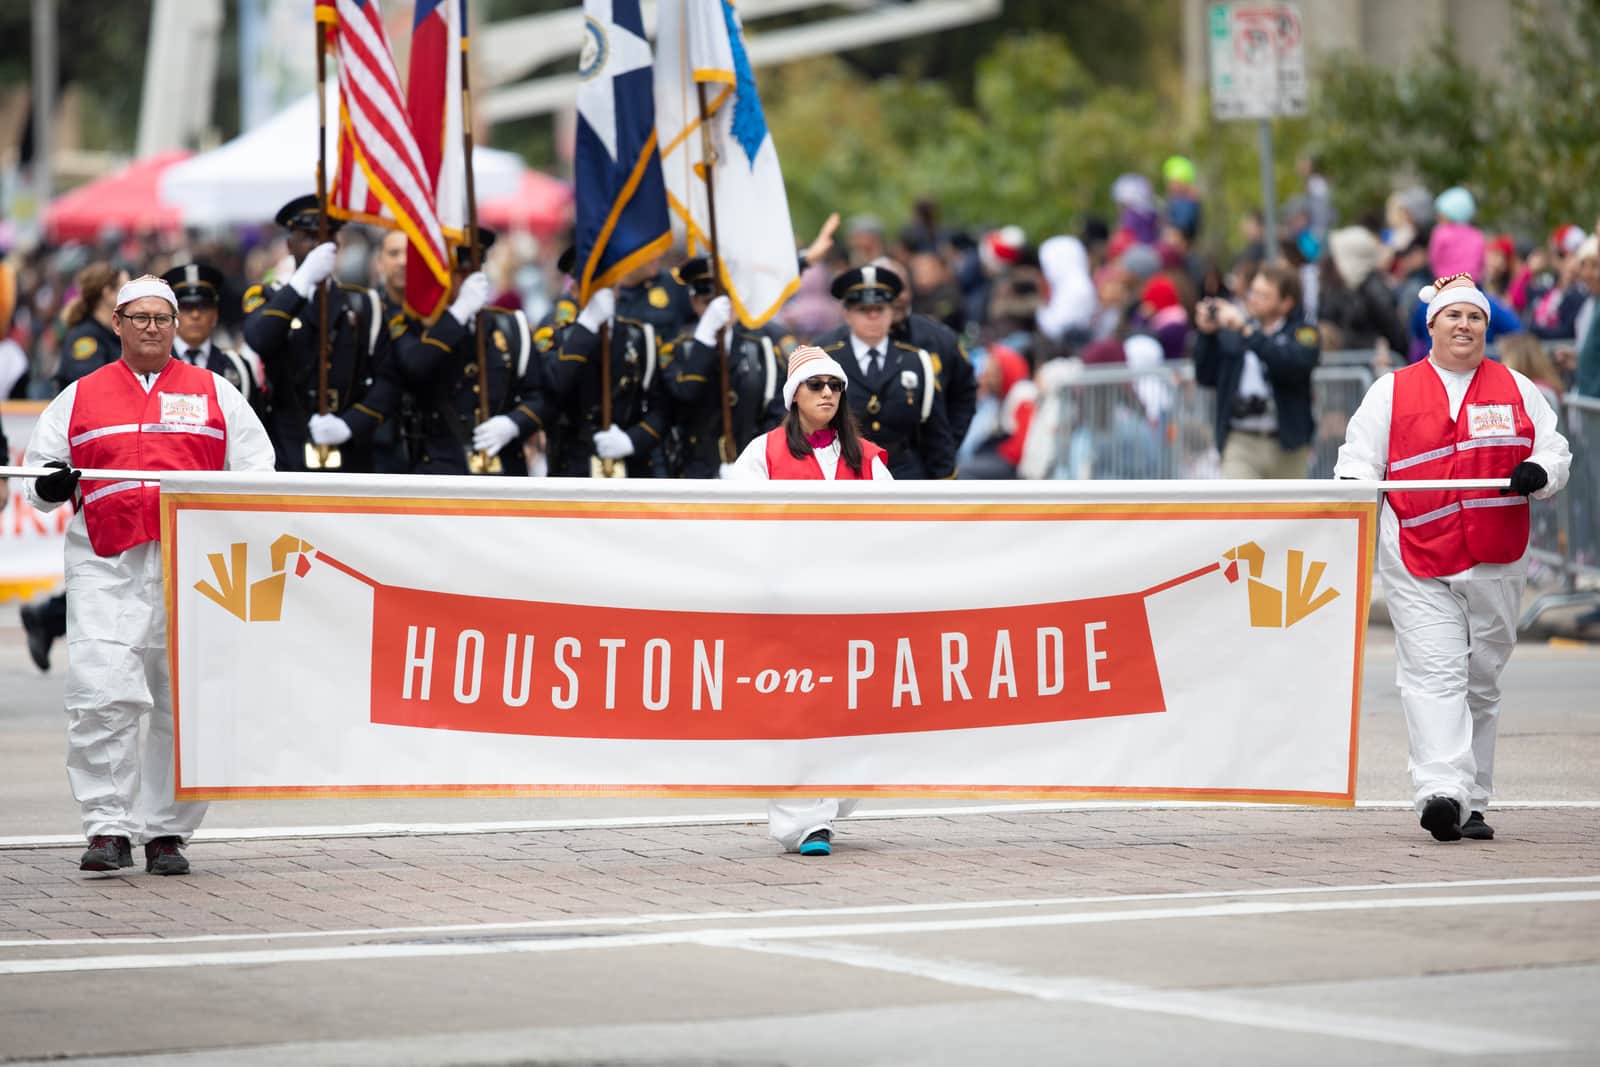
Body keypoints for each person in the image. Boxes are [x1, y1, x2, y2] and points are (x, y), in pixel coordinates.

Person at [23, 275, 277, 875]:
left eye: (162, 318)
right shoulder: (78, 396)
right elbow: (36, 483)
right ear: (117, 323)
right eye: (138, 317)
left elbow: (259, 473)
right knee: (100, 693)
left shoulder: (216, 393)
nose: (152, 327)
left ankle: (167, 832)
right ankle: (108, 828)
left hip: (194, 569)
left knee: (184, 701)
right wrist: (51, 484)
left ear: (174, 327)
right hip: (107, 563)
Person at [1334, 274, 1570, 842]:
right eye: (1454, 316)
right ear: (1432, 325)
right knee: (1434, 673)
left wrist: (1540, 472)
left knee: (1481, 678)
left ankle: (1475, 796)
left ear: (1487, 328)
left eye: (1476, 318)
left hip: (1495, 555)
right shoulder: (1391, 391)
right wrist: (1352, 487)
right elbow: (1359, 457)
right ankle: (1441, 791)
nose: (1465, 326)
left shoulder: (1517, 388)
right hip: (1418, 554)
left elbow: (1554, 449)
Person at [727, 344, 889, 854]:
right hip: (789, 605)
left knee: (855, 709)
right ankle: (807, 821)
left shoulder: (867, 457)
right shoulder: (763, 452)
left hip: (851, 604)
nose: (826, 394)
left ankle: (831, 800)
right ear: (793, 395)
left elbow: (899, 520)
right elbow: (738, 522)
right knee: (796, 709)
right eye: (816, 386)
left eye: (834, 386)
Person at [240, 194, 397, 472]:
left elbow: (387, 379)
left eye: (326, 239)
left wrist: (350, 424)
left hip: (350, 451)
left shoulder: (364, 304)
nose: (318, 247)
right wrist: (301, 283)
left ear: (337, 244)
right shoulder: (268, 297)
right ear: (290, 245)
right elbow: (260, 339)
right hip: (287, 447)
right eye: (309, 238)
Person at [391, 228, 548, 475]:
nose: (465, 281)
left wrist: (513, 423)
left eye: (471, 272)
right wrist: (458, 314)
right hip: (440, 467)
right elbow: (413, 369)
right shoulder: (415, 326)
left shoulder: (510, 326)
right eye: (457, 273)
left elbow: (539, 396)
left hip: (503, 466)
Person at [812, 265, 956, 479]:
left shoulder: (917, 361)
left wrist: (944, 486)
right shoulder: (825, 361)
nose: (872, 316)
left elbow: (936, 434)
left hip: (904, 474)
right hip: (844, 473)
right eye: (863, 309)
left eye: (880, 309)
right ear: (847, 314)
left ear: (892, 312)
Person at [664, 256, 791, 478]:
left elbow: (778, 412)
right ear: (694, 303)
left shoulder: (763, 349)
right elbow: (682, 396)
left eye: (727, 302)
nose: (721, 313)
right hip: (694, 472)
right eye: (708, 304)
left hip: (753, 470)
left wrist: (754, 460)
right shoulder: (679, 351)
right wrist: (703, 340)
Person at [1193, 263, 1320, 478]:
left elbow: (1292, 364)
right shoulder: (1235, 329)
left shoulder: (1304, 331)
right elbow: (1205, 376)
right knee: (1239, 509)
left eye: (1264, 295)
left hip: (1288, 443)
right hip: (1240, 440)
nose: (1254, 299)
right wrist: (1207, 335)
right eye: (1254, 292)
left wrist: (1246, 331)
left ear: (1286, 302)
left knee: (1288, 511)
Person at [161, 263, 264, 408]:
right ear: (171, 314)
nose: (195, 315)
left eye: (203, 306)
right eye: (186, 307)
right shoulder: (154, 364)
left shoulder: (237, 368)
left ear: (215, 314)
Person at [54, 263, 128, 393]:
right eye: (125, 290)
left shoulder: (115, 333)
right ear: (108, 294)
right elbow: (91, 388)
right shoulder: (84, 337)